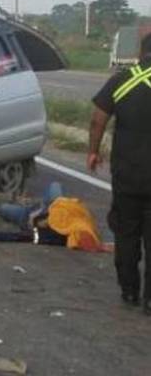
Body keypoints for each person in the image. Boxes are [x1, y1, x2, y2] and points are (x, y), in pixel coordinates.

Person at [90, 32, 151, 312]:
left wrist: (93, 151)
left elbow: (98, 119)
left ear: (141, 51)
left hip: (127, 173)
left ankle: (129, 290)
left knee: (126, 233)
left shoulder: (122, 79)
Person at [0, 181, 103, 251]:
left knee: (2, 208)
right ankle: (23, 200)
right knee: (55, 186)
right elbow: (77, 207)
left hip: (27, 216)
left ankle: (14, 200)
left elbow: (26, 237)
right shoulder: (79, 222)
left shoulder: (56, 236)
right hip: (49, 206)